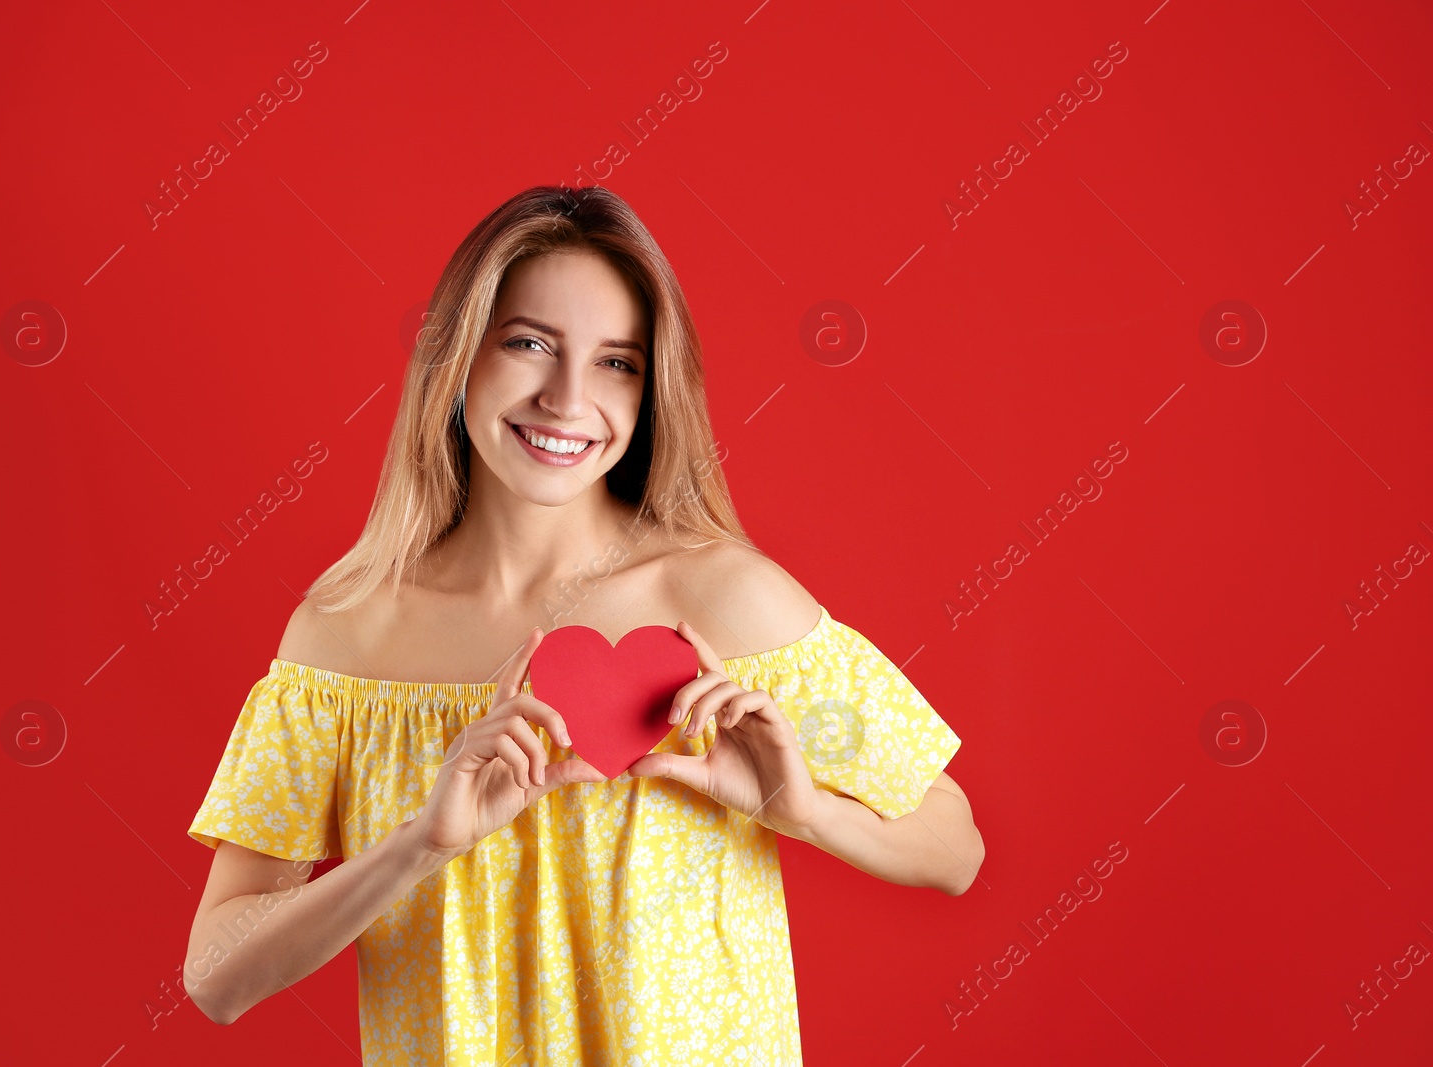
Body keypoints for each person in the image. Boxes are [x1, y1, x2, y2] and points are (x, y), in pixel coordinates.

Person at [182, 184, 983, 1064]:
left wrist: (808, 812)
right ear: (457, 358)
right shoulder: (345, 637)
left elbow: (955, 848)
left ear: (651, 389)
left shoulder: (725, 604)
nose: (567, 399)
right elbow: (216, 977)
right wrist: (418, 844)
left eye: (616, 362)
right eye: (529, 343)